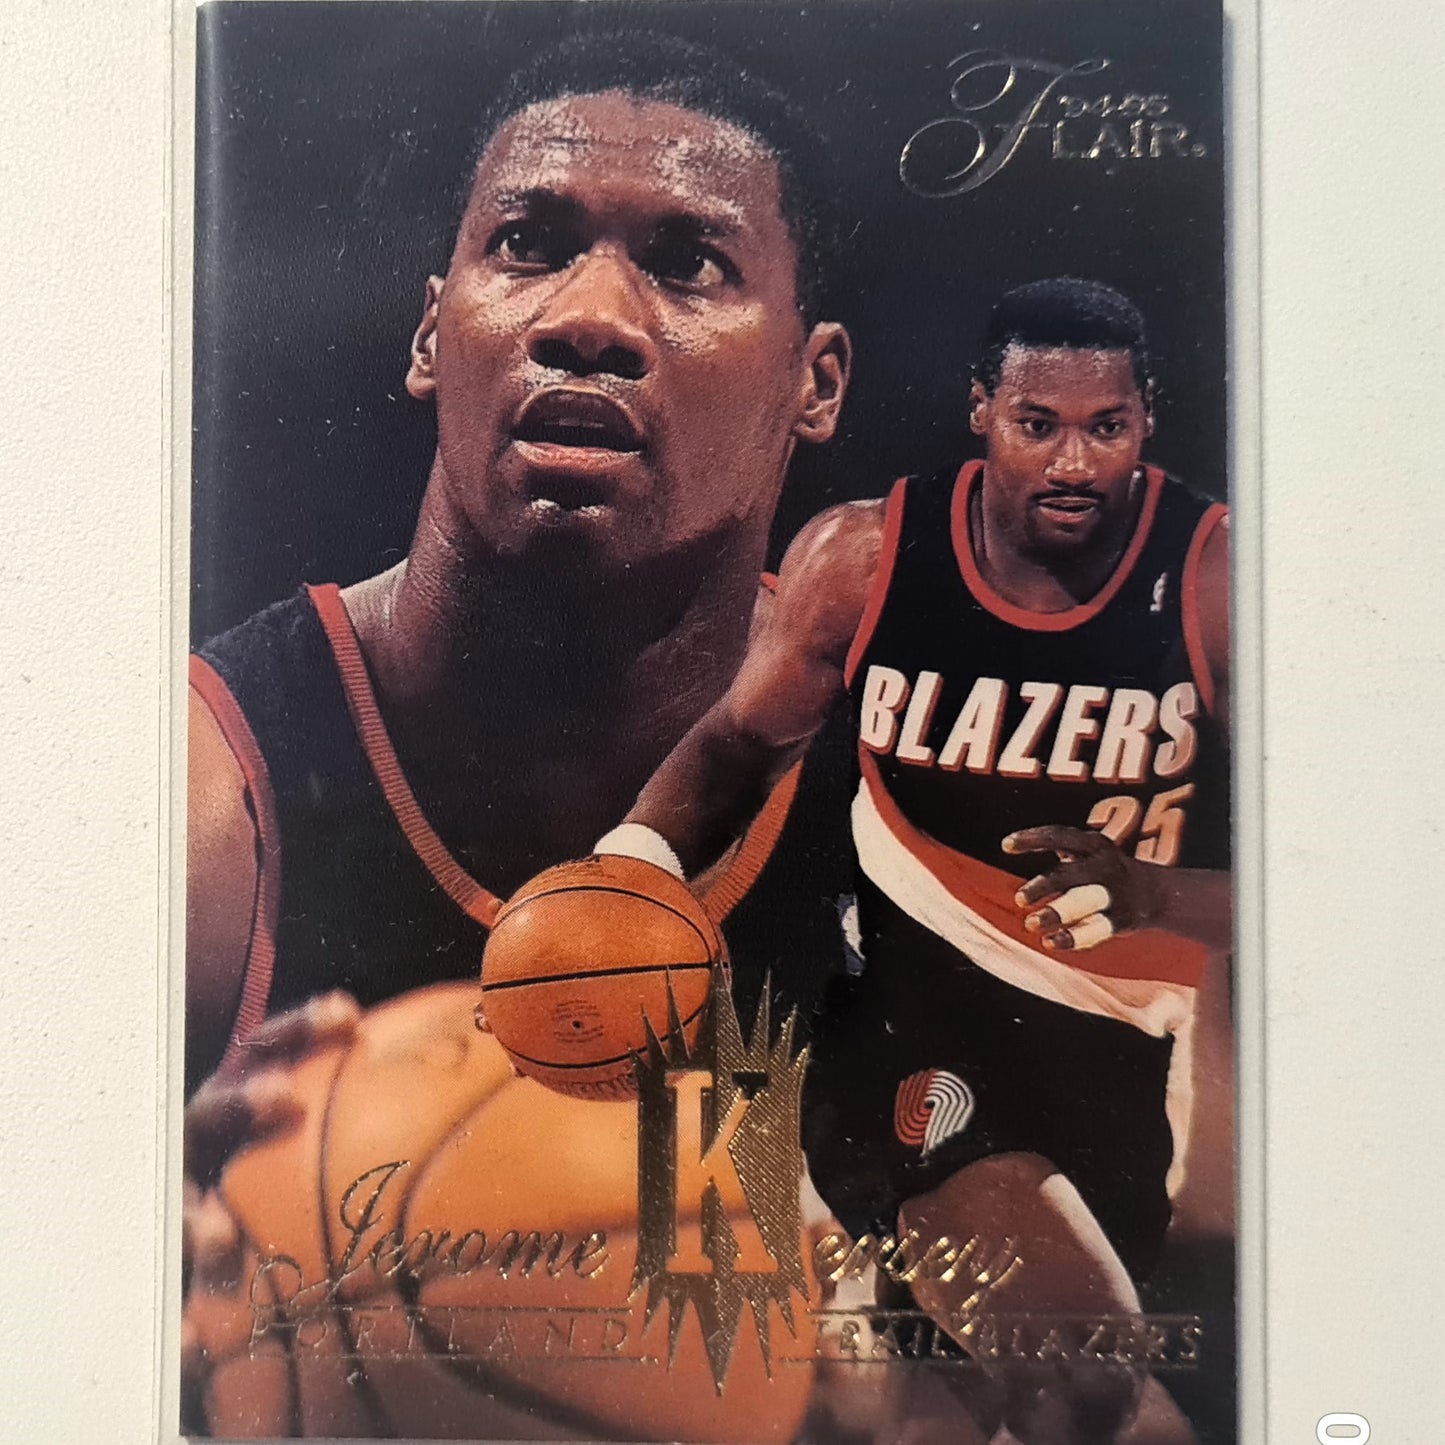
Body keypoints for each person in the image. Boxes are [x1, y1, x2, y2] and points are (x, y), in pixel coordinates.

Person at [182, 31, 852, 1432]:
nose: (589, 317)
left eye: (688, 262)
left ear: (816, 382)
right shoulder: (200, 790)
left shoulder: (920, 758)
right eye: (528, 245)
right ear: (435, 336)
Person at [595, 278, 1230, 1444]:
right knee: (1081, 1373)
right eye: (1036, 423)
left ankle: (855, 1344)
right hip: (910, 1039)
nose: (1072, 462)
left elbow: (1334, 877)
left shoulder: (1217, 583)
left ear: (1148, 420)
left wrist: (1149, 891)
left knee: (969, 1412)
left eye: (1106, 426)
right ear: (980, 409)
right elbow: (737, 742)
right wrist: (626, 866)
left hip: (1121, 1051)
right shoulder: (867, 557)